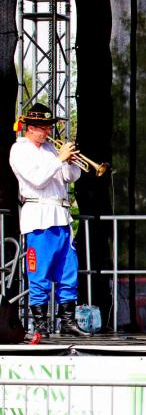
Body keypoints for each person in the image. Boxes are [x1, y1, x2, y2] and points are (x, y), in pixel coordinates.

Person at [9, 103, 90, 337]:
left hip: (60, 216)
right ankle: (41, 325)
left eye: (48, 127)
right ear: (30, 128)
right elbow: (37, 179)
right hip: (39, 216)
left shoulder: (50, 150)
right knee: (40, 272)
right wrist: (59, 159)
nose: (47, 131)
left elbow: (69, 177)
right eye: (43, 127)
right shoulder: (19, 150)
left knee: (68, 271)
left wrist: (69, 161)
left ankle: (67, 322)